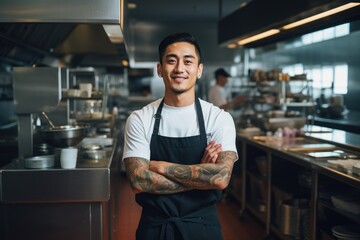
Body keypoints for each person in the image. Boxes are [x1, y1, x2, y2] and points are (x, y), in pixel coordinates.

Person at [122, 32, 238, 240]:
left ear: (199, 70)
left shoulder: (218, 118)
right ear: (160, 69)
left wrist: (159, 167)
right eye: (171, 61)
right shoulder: (140, 119)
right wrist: (202, 174)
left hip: (203, 228)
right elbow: (138, 180)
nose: (179, 69)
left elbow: (221, 178)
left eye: (188, 61)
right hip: (155, 228)